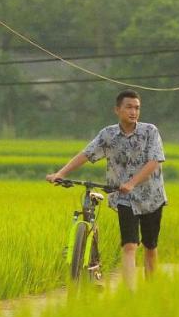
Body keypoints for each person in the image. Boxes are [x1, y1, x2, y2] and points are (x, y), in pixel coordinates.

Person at [46, 89, 166, 288]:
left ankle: (151, 293)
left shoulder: (150, 131)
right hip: (124, 198)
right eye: (128, 107)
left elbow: (155, 161)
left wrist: (132, 183)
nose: (133, 112)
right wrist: (61, 173)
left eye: (137, 108)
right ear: (117, 110)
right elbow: (86, 154)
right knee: (129, 245)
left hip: (151, 197)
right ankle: (130, 294)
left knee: (150, 246)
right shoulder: (108, 135)